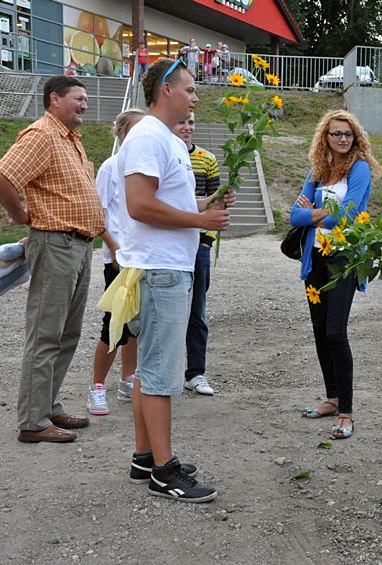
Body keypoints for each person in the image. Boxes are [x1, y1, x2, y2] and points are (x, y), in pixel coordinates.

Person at [115, 57, 232, 502]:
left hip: (166, 266)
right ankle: (164, 472)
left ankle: (145, 457)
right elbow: (140, 205)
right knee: (161, 372)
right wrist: (200, 220)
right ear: (166, 89)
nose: (195, 97)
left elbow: (169, 201)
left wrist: (207, 206)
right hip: (160, 269)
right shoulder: (148, 136)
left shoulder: (167, 139)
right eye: (190, 88)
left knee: (150, 367)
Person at [0, 76, 105, 443]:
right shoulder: (42, 134)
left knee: (67, 333)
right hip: (56, 244)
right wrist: (21, 214)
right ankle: (33, 422)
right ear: (54, 99)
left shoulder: (69, 138)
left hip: (78, 246)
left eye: (85, 99)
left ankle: (48, 406)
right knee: (45, 334)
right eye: (78, 98)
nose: (84, 104)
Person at [289, 110, 382, 440]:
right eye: (336, 134)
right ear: (325, 138)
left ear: (355, 137)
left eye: (348, 134)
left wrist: (313, 213)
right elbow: (293, 215)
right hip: (315, 259)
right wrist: (319, 215)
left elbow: (348, 215)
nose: (342, 139)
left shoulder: (360, 169)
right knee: (319, 331)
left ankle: (346, 412)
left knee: (335, 332)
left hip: (344, 258)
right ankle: (332, 398)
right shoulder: (319, 170)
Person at [87, 108, 146, 416]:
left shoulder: (144, 168)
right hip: (118, 260)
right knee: (114, 324)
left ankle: (127, 379)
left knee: (135, 324)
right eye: (135, 129)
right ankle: (97, 387)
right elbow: (98, 215)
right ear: (122, 134)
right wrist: (114, 251)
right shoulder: (111, 168)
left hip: (140, 258)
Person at [172, 112, 221, 396]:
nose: (187, 127)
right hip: (171, 242)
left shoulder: (207, 159)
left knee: (197, 311)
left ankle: (195, 372)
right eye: (182, 122)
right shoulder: (165, 155)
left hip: (198, 244)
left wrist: (207, 241)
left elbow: (215, 203)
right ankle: (165, 371)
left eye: (191, 122)